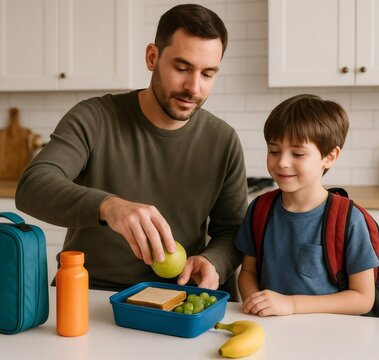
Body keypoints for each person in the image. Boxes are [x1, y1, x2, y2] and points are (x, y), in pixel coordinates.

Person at [15, 4, 247, 297]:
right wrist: (109, 207)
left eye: (208, 74)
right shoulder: (94, 117)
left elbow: (233, 231)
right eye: (182, 68)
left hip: (178, 298)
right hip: (92, 295)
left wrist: (213, 261)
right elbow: (33, 185)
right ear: (152, 57)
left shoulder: (223, 140)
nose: (194, 87)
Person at [235, 94, 379, 316]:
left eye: (298, 153)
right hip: (272, 331)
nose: (282, 162)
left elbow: (363, 298)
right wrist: (256, 304)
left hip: (328, 337)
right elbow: (248, 272)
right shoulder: (259, 209)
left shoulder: (349, 220)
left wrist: (291, 305)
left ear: (330, 156)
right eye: (274, 151)